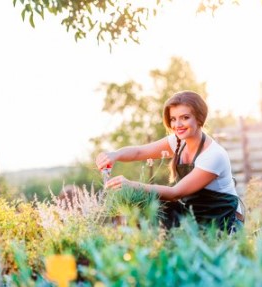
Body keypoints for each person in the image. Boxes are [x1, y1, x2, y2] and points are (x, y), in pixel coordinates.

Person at [95, 90, 243, 232]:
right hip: (193, 214)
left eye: (185, 117)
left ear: (199, 118)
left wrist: (131, 185)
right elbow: (139, 152)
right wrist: (114, 155)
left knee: (153, 199)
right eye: (173, 119)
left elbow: (175, 193)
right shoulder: (178, 141)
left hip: (220, 221)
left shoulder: (213, 155)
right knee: (145, 203)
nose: (177, 125)